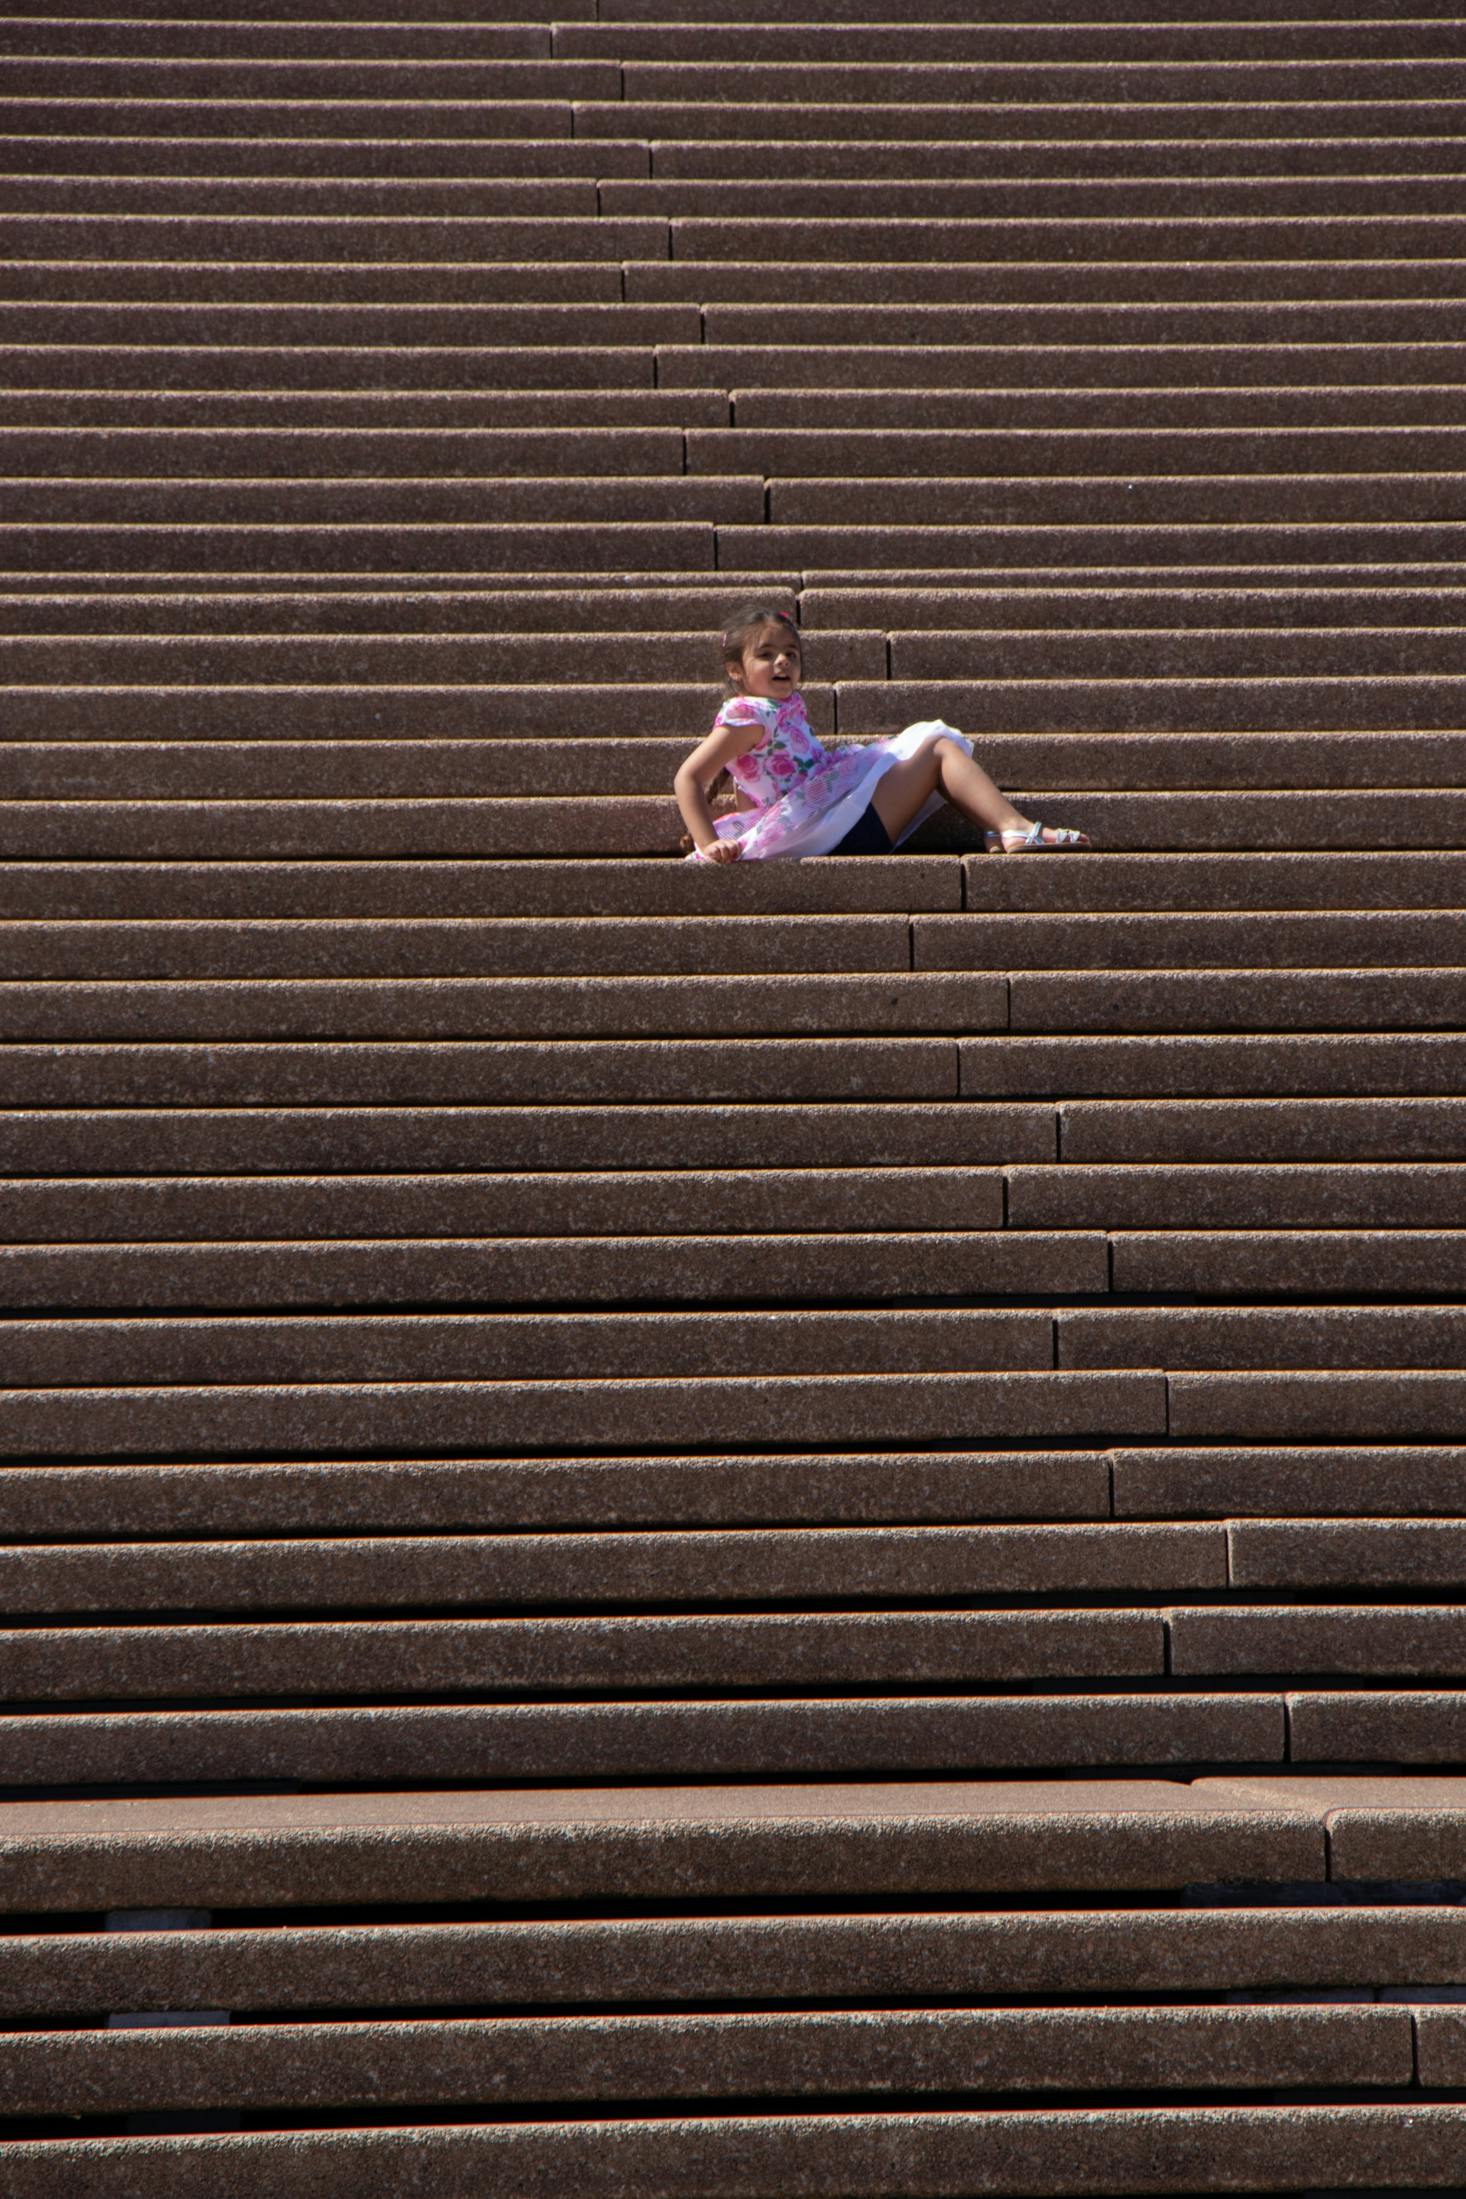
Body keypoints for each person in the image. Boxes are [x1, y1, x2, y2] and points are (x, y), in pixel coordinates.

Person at [675, 605, 1092, 864]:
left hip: (829, 830)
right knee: (937, 747)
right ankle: (1011, 825)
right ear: (735, 670)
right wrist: (709, 842)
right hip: (829, 836)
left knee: (931, 746)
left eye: (791, 654)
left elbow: (756, 790)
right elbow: (689, 778)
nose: (783, 661)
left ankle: (995, 825)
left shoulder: (775, 714)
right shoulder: (750, 715)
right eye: (766, 655)